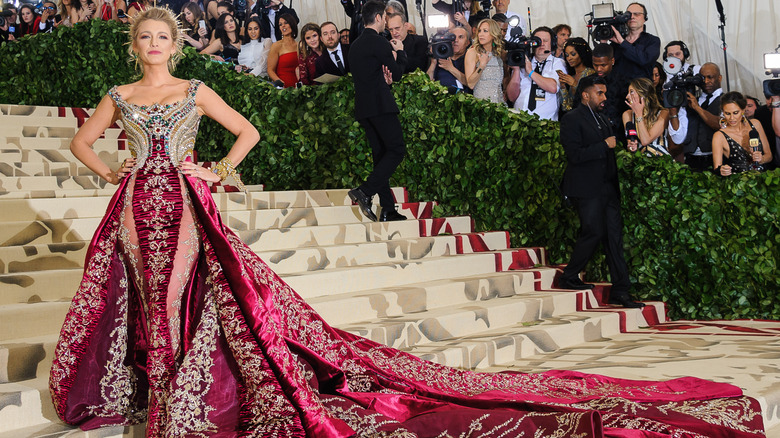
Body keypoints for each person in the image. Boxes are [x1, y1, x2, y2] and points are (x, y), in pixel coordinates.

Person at [47, 8, 771, 436]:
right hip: (134, 204)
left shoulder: (196, 87)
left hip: (184, 203)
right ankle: (149, 387)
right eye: (143, 39)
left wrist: (213, 169)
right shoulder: (117, 92)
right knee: (139, 294)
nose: (153, 47)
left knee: (182, 295)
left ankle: (178, 402)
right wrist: (112, 169)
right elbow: (84, 141)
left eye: (161, 39)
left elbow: (249, 135)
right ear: (133, 45)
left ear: (174, 45)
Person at [559, 75, 644, 308]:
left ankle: (621, 290)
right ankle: (569, 275)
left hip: (607, 187)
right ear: (585, 95)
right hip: (586, 188)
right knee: (593, 231)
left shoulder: (603, 118)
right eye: (600, 93)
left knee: (614, 238)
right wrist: (603, 145)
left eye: (605, 93)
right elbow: (574, 155)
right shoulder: (572, 119)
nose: (604, 97)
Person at [348, 0, 408, 222]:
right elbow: (398, 73)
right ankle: (364, 191)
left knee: (381, 155)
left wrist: (385, 78)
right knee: (397, 149)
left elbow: (373, 75)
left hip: (363, 108)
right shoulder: (380, 42)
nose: (385, 21)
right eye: (384, 17)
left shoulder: (354, 46)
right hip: (381, 106)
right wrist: (400, 52)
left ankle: (388, 209)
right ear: (378, 18)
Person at [667, 62, 723, 171]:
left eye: (710, 77)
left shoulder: (726, 100)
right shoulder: (690, 101)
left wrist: (697, 108)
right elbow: (678, 137)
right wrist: (673, 111)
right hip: (690, 159)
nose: (706, 81)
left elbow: (720, 125)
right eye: (702, 78)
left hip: (715, 158)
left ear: (719, 78)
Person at [506, 26, 566, 120]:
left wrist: (530, 72)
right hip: (520, 121)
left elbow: (553, 87)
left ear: (552, 43)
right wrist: (516, 70)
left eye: (545, 40)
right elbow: (511, 97)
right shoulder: (523, 62)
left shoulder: (558, 63)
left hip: (546, 124)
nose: (541, 44)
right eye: (537, 40)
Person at [712, 92, 773, 175]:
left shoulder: (756, 124)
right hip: (738, 185)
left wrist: (761, 159)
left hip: (762, 182)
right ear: (723, 112)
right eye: (727, 113)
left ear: (743, 110)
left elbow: (769, 156)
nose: (732, 118)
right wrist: (722, 170)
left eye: (735, 113)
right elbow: (717, 168)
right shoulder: (719, 136)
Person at [600, 2, 660, 80]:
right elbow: (603, 65)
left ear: (645, 18)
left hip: (639, 90)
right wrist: (603, 44)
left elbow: (644, 60)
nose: (632, 17)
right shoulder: (615, 43)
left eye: (637, 14)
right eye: (628, 15)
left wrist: (622, 42)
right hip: (615, 89)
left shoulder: (653, 41)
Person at [622, 77, 671, 156]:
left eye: (631, 92)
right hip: (640, 161)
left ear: (643, 94)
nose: (627, 96)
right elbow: (631, 140)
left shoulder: (663, 113)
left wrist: (638, 114)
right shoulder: (627, 115)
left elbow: (645, 140)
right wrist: (631, 146)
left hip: (661, 161)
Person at [591, 43, 628, 138]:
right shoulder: (587, 83)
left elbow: (628, 110)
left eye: (603, 65)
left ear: (612, 61)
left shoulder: (623, 82)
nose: (599, 69)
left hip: (618, 134)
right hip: (592, 133)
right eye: (595, 65)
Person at [465, 18, 505, 105]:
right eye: (479, 31)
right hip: (482, 106)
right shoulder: (472, 52)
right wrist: (481, 66)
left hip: (499, 105)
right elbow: (470, 84)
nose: (481, 34)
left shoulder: (499, 53)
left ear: (493, 34)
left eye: (485, 31)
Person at [427, 25, 470, 93]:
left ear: (467, 43)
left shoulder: (470, 59)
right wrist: (433, 62)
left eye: (460, 37)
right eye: (453, 37)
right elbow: (427, 83)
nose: (456, 40)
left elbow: (471, 83)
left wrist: (450, 68)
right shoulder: (441, 56)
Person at [558, 37, 595, 114]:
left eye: (573, 54)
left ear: (581, 53)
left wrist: (575, 85)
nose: (569, 58)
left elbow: (590, 101)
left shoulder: (591, 73)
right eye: (567, 55)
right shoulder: (571, 75)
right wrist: (563, 87)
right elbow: (567, 107)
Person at [266, 13, 298, 87]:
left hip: (300, 87)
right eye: (280, 24)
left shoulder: (299, 45)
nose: (283, 26)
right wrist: (279, 83)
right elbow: (270, 70)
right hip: (283, 89)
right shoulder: (276, 46)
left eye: (286, 23)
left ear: (292, 24)